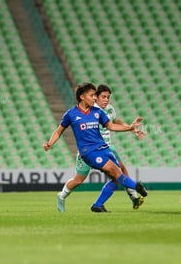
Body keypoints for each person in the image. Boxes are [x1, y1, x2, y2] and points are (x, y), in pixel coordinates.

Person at [43, 82, 148, 213]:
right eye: (92, 95)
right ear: (82, 97)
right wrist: (49, 143)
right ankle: (137, 187)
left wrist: (130, 128)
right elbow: (59, 131)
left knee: (116, 176)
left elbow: (111, 125)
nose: (95, 98)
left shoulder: (98, 112)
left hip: (104, 148)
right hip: (88, 152)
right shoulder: (71, 114)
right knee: (89, 178)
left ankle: (98, 205)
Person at [90, 84, 146, 211]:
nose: (106, 100)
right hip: (98, 149)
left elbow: (116, 121)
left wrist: (132, 129)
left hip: (110, 147)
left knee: (122, 173)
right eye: (103, 97)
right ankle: (134, 193)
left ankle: (133, 198)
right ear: (96, 97)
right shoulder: (91, 111)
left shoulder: (109, 109)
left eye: (108, 97)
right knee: (117, 176)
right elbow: (110, 126)